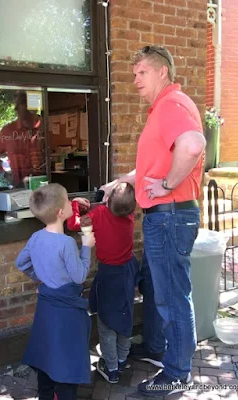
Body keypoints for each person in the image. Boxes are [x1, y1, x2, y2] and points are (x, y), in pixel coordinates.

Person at [101, 45, 206, 397]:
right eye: (134, 74)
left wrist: (166, 185)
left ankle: (177, 372)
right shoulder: (170, 106)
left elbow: (192, 145)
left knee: (173, 297)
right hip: (170, 216)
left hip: (170, 216)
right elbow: (153, 167)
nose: (135, 81)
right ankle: (160, 347)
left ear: (162, 72)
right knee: (161, 290)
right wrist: (124, 180)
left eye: (141, 73)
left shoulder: (170, 107)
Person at [16, 183, 96, 400]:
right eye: (69, 200)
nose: (73, 202)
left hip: (46, 305)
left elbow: (21, 263)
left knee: (47, 352)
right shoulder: (67, 243)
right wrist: (87, 246)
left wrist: (40, 279)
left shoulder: (36, 238)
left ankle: (45, 394)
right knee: (67, 356)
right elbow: (79, 276)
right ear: (61, 212)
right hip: (67, 310)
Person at [67, 183, 139, 384]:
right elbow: (119, 207)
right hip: (127, 272)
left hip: (109, 275)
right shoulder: (129, 216)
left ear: (107, 200)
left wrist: (74, 204)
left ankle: (111, 367)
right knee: (125, 316)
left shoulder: (98, 214)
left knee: (107, 322)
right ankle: (123, 359)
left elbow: (73, 224)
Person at [0, 90, 45, 188]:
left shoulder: (46, 126)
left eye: (20, 104)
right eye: (16, 106)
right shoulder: (8, 131)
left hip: (46, 184)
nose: (16, 109)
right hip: (20, 187)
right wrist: (5, 175)